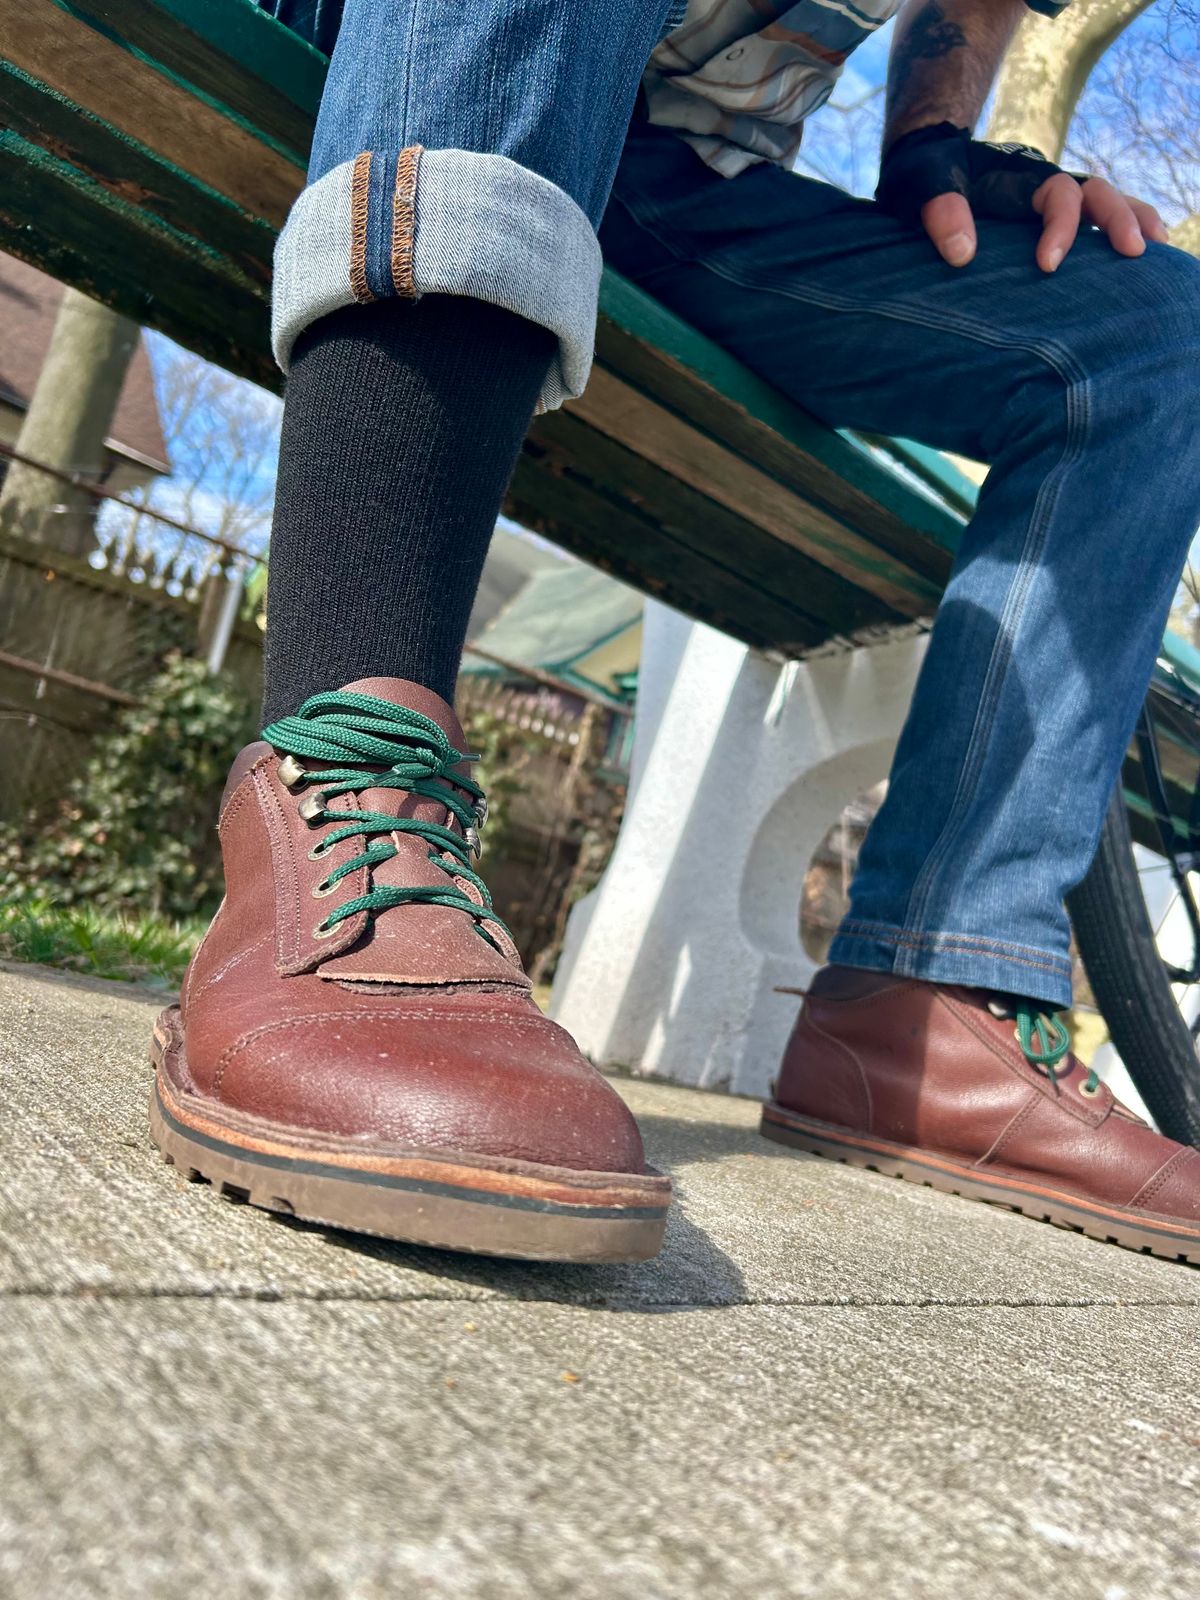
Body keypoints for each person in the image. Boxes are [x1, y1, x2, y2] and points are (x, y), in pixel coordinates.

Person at [149, 0, 1200, 1266]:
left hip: (684, 178)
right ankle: (345, 770)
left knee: (1155, 335)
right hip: (389, 35)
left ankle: (939, 992)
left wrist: (933, 144)